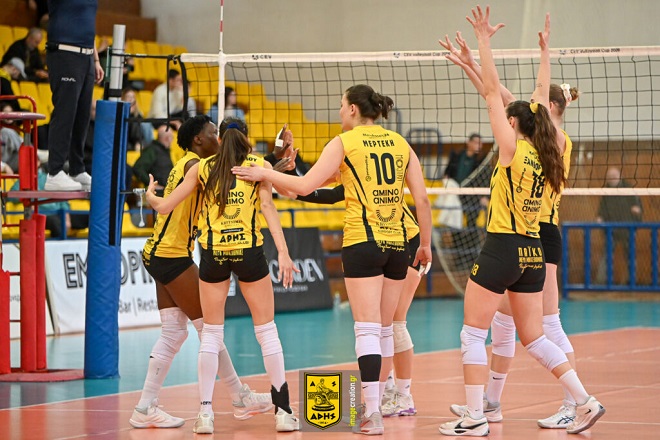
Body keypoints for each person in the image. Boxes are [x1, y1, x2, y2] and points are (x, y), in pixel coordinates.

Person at [438, 8, 604, 436]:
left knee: (472, 334)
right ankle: (583, 400)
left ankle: (474, 416)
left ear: (515, 123)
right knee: (534, 336)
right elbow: (520, 96)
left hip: (503, 245)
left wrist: (483, 43)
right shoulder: (549, 151)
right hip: (532, 247)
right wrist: (541, 54)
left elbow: (494, 95)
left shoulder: (513, 150)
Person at [231, 84, 433, 435]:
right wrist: (426, 244)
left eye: (341, 105)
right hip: (399, 243)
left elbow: (305, 186)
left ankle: (374, 412)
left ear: (353, 109)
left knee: (367, 329)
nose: (339, 111)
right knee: (386, 328)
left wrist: (265, 172)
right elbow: (423, 200)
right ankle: (386, 401)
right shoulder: (401, 144)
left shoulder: (344, 143)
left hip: (363, 242)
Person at [146, 117, 300, 434]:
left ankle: (205, 414)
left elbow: (164, 207)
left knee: (212, 336)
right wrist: (284, 252)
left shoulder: (202, 168)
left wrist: (150, 195)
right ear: (246, 138)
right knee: (267, 331)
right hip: (248, 252)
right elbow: (269, 205)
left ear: (221, 139)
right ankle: (283, 412)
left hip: (213, 254)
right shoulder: (257, 166)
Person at [292, 184, 423, 418]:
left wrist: (290, 184)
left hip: (408, 241)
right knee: (380, 324)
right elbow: (332, 193)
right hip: (380, 241)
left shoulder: (373, 172)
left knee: (394, 322)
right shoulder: (356, 175)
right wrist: (294, 187)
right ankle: (386, 391)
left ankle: (404, 397)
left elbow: (421, 199)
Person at [44, 0, 104, 191]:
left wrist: (95, 60)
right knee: (65, 113)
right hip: (65, 53)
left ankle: (76, 169)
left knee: (82, 116)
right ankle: (54, 172)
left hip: (86, 57)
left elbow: (86, 23)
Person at [9, 158, 88, 238]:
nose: (31, 164)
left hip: (59, 212)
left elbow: (63, 201)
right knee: (55, 223)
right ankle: (62, 245)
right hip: (43, 214)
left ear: (39, 162)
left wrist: (67, 218)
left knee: (89, 217)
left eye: (34, 161)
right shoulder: (22, 181)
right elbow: (12, 196)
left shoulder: (50, 178)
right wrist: (29, 199)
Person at [595, 167, 642, 284]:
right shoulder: (606, 191)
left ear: (619, 176)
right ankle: (601, 281)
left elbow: (637, 206)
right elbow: (602, 208)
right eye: (610, 177)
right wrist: (600, 217)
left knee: (630, 255)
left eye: (614, 176)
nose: (612, 179)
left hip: (628, 229)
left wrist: (637, 211)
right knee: (606, 255)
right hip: (611, 230)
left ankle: (632, 281)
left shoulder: (628, 188)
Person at [132, 125, 174, 189]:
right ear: (167, 138)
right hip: (157, 192)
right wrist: (152, 184)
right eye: (172, 137)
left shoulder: (165, 151)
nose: (172, 140)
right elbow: (138, 168)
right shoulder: (151, 150)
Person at [121, 87, 153, 152]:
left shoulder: (138, 115)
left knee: (146, 124)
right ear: (123, 99)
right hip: (125, 144)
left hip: (138, 143)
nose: (131, 99)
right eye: (128, 97)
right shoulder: (120, 115)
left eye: (133, 97)